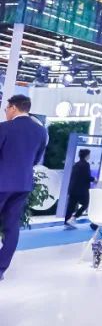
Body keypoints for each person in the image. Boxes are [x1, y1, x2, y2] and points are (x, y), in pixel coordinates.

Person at [0, 94, 48, 280]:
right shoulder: (40, 131)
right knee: (12, 226)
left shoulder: (4, 127)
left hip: (2, 183)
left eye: (6, 108)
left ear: (13, 107)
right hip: (23, 184)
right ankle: (1, 268)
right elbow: (36, 159)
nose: (5, 112)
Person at [64, 148, 93, 227]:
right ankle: (74, 217)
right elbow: (87, 177)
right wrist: (94, 179)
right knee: (86, 204)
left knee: (71, 206)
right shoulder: (86, 164)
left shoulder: (76, 164)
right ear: (86, 155)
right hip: (81, 190)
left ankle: (67, 221)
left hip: (73, 188)